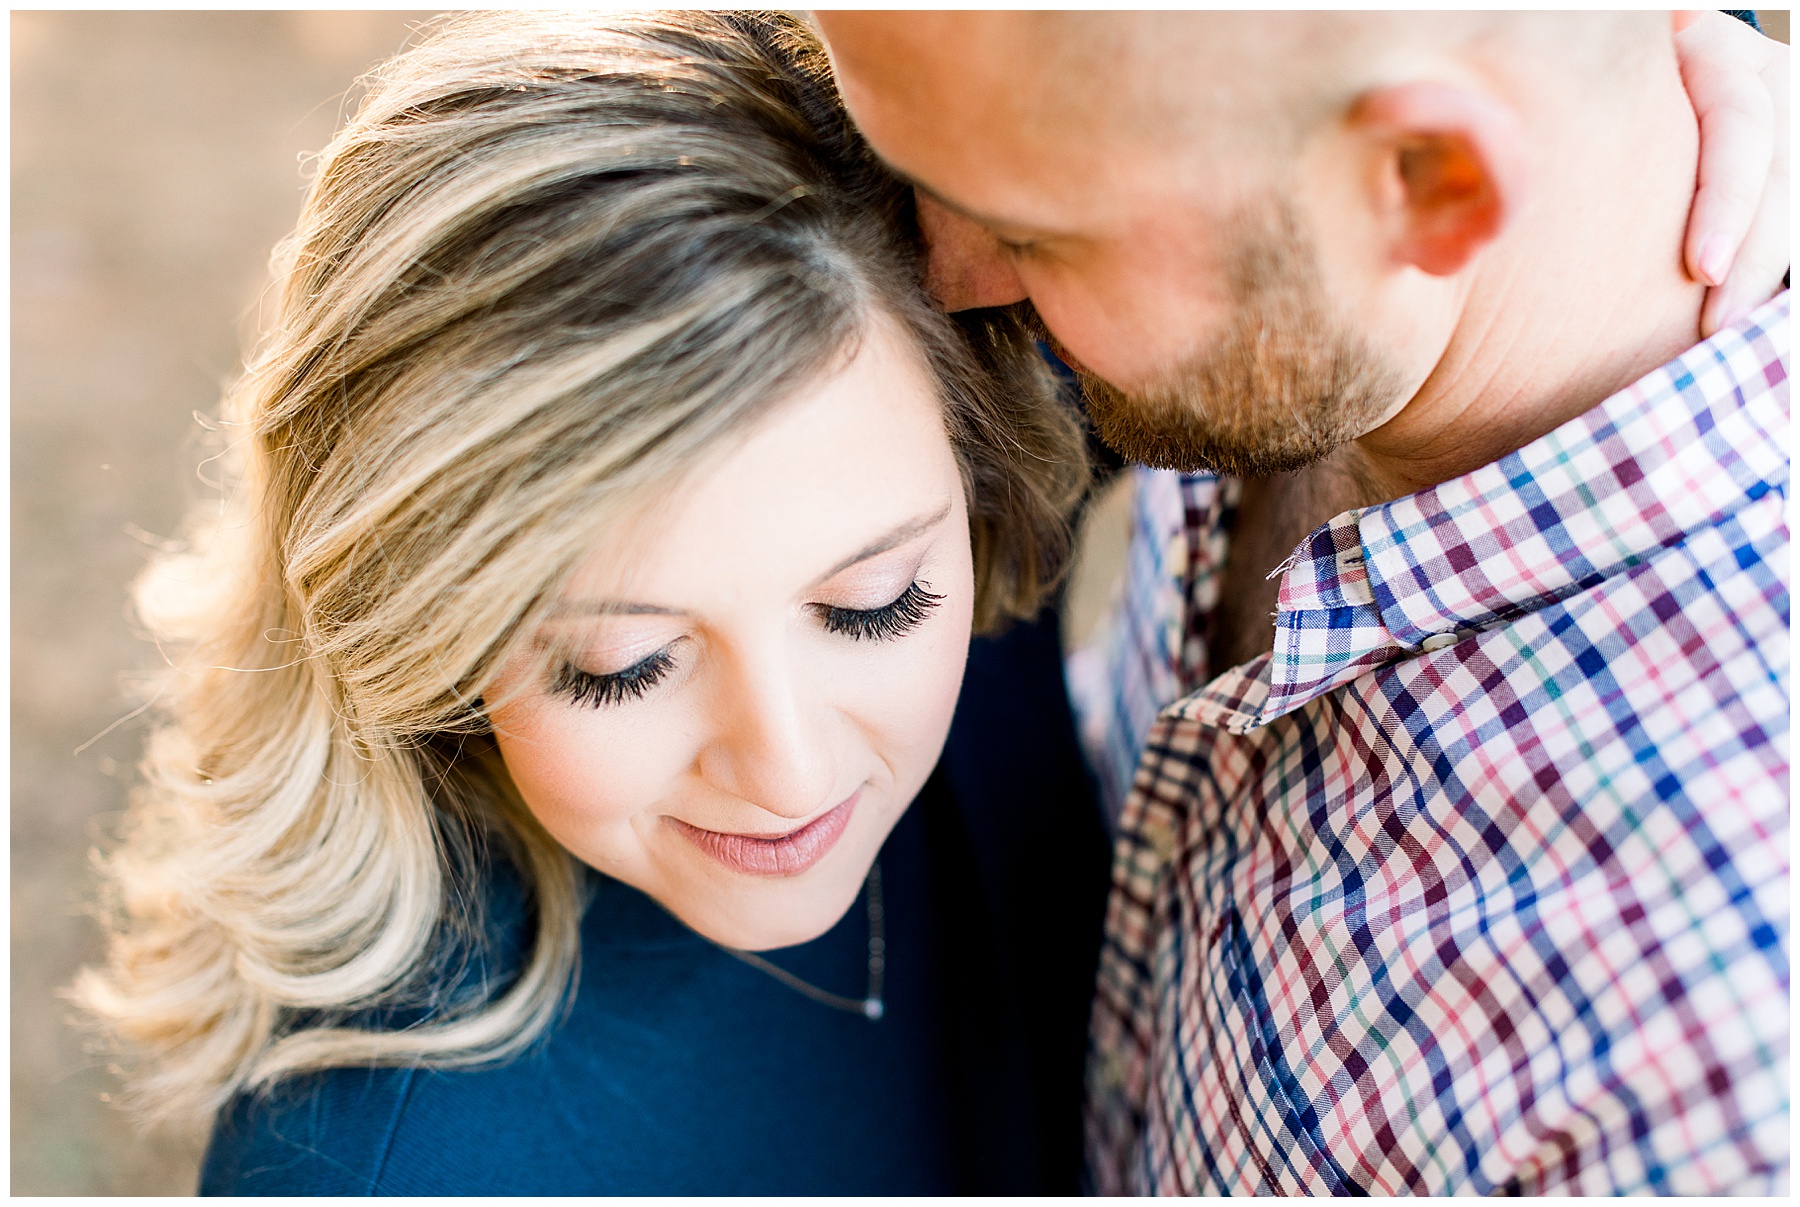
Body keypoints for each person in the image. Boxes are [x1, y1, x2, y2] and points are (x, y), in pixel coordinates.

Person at [73, 12, 1110, 1194]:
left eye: (873, 606)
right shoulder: (391, 1169)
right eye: (623, 665)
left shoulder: (962, 461)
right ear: (432, 628)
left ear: (984, 458)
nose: (789, 770)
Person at [816, 9, 1790, 1194]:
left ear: (1435, 184)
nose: (942, 280)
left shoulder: (1710, 1090)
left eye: (1034, 233)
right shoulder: (1310, 271)